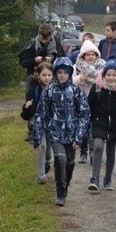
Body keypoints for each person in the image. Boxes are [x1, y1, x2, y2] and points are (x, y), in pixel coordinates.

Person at [32, 57, 90, 206]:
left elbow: (84, 113)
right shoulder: (50, 91)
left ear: (70, 73)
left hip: (72, 133)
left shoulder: (76, 91)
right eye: (59, 72)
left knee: (70, 162)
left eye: (65, 72)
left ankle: (66, 183)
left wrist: (79, 137)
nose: (62, 75)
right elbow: (40, 114)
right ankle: (60, 192)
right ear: (55, 73)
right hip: (55, 132)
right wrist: (37, 137)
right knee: (60, 159)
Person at [87, 59, 116, 191]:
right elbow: (89, 107)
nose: (111, 78)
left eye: (114, 75)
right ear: (103, 75)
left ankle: (108, 179)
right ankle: (95, 178)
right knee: (98, 147)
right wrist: (89, 123)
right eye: (108, 75)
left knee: (111, 151)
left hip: (114, 125)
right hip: (99, 123)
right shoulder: (97, 88)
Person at [72, 39, 105, 163]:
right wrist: (79, 78)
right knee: (84, 128)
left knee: (94, 127)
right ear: (83, 56)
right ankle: (83, 151)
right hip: (81, 100)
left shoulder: (103, 66)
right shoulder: (77, 67)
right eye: (88, 55)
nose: (91, 57)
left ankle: (93, 151)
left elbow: (107, 81)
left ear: (97, 55)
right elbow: (70, 82)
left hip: (97, 101)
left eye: (93, 54)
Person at [22, 62, 54, 183]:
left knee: (49, 147)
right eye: (44, 75)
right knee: (42, 145)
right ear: (38, 75)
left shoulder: (56, 87)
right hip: (37, 119)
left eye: (49, 75)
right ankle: (41, 175)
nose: (47, 78)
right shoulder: (33, 88)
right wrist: (27, 107)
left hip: (51, 120)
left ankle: (47, 160)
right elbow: (27, 110)